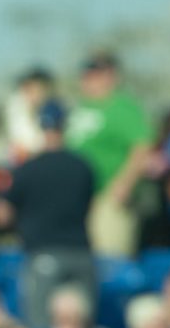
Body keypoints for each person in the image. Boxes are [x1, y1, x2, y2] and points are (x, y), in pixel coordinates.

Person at [0, 99, 96, 328]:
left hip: (44, 255)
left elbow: (0, 215)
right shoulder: (83, 166)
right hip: (82, 254)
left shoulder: (27, 169)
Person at [65, 52, 153, 257]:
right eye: (88, 73)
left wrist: (125, 183)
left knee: (110, 258)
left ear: (111, 76)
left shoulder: (122, 107)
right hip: (80, 198)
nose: (90, 79)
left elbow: (142, 147)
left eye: (97, 73)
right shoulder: (79, 108)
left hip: (108, 196)